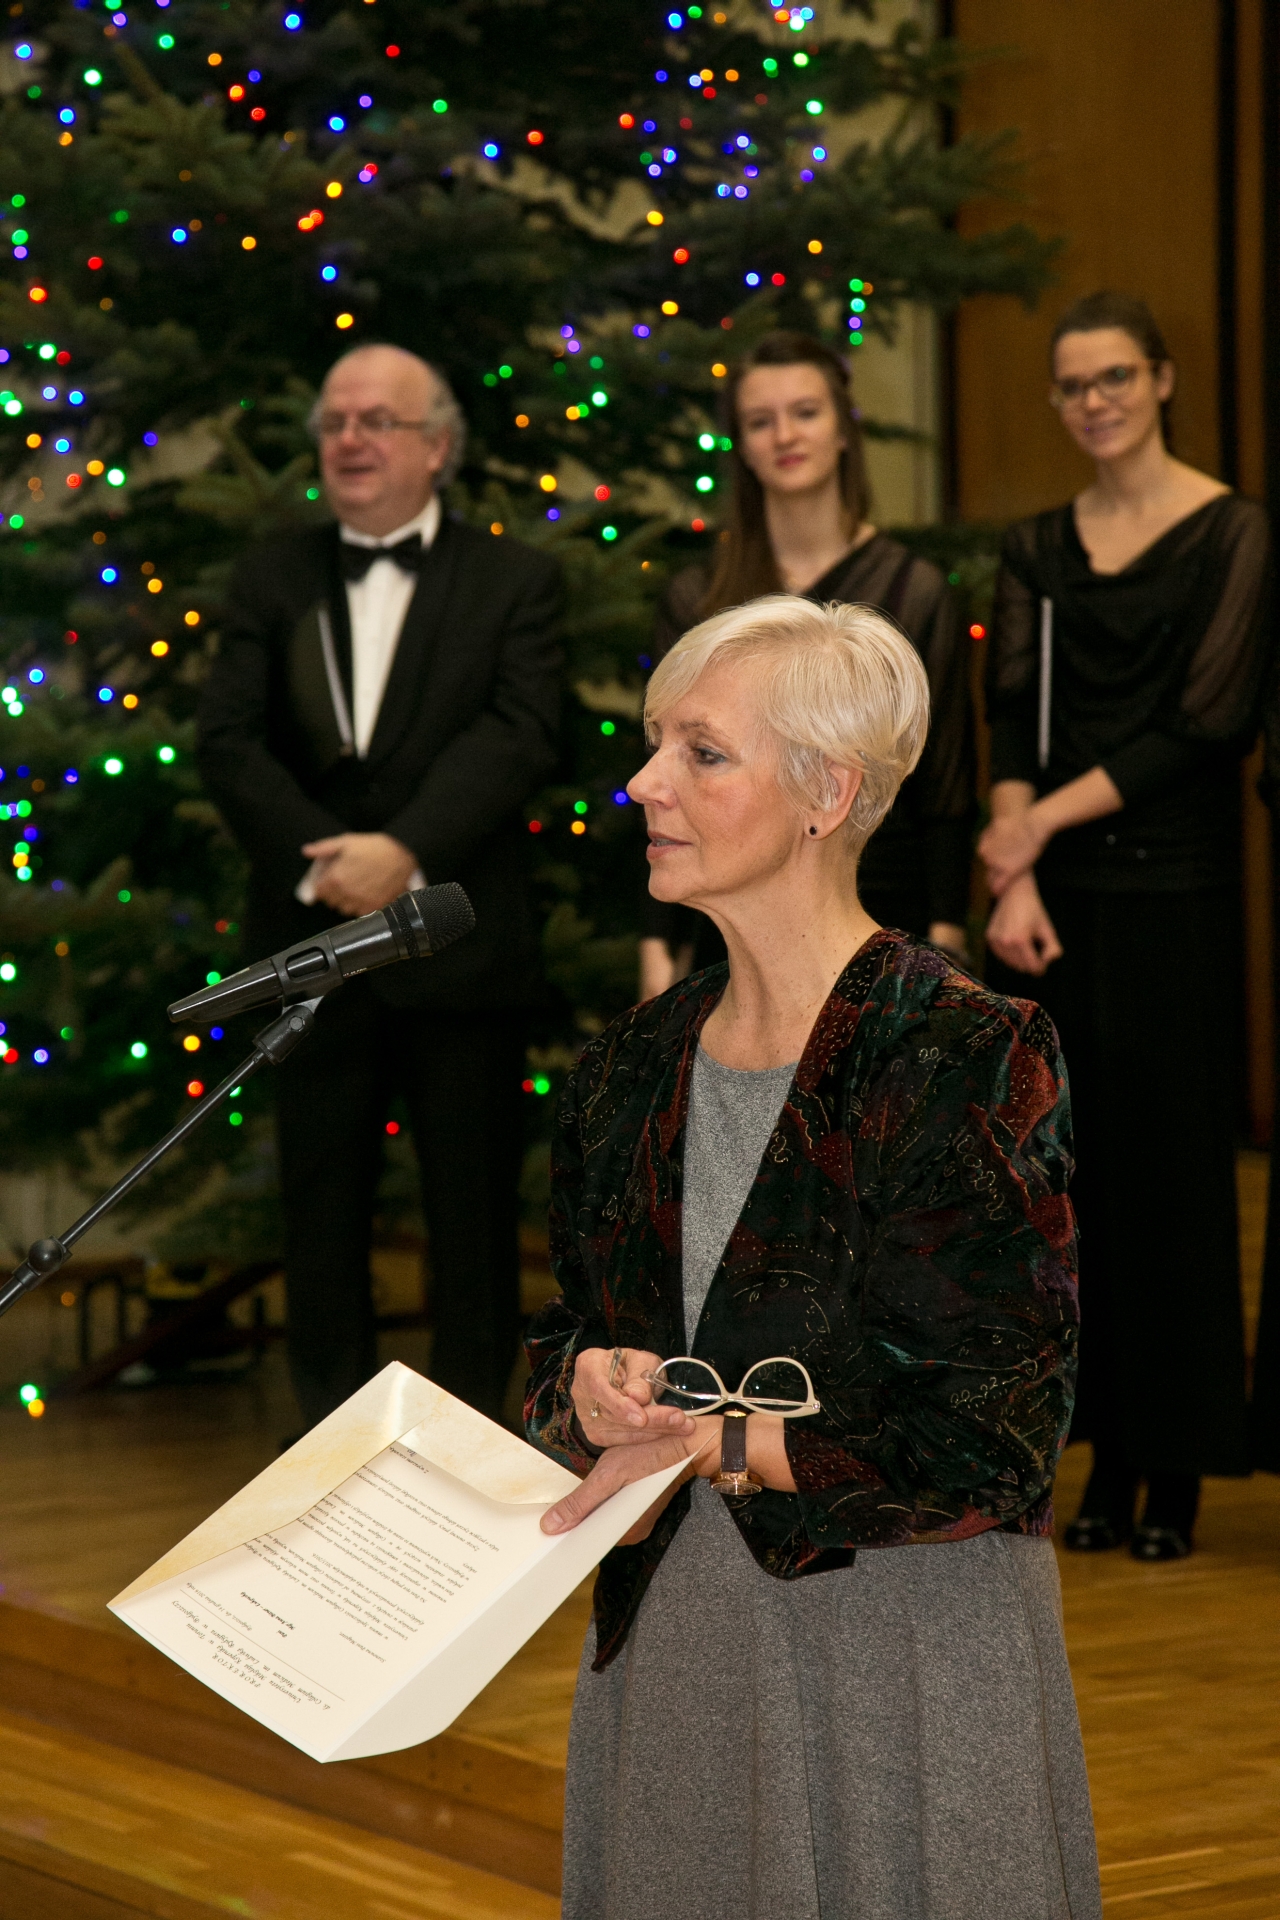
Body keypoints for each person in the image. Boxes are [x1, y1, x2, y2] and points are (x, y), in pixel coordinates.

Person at [526, 595, 1099, 1920]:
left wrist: (714, 1444)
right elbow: (560, 1343)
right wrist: (590, 1391)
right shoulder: (626, 1067)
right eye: (654, 745)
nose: (644, 783)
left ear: (824, 794)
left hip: (901, 1652)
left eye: (700, 753)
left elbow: (994, 1437)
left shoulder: (961, 1052)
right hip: (679, 1644)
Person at [198, 343, 562, 1428]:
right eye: (334, 422)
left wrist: (402, 849)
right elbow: (228, 741)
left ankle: (467, 1454)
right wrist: (327, 857)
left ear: (437, 445)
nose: (349, 439)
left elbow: (520, 732)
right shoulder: (270, 576)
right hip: (309, 950)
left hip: (459, 949)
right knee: (317, 1218)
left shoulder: (514, 579)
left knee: (473, 1221)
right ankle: (329, 1452)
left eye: (377, 421)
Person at [979, 290, 1273, 1558]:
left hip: (1174, 894)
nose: (1091, 402)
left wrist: (1033, 827)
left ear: (1159, 379)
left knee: (1170, 1185)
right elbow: (1007, 712)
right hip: (1053, 906)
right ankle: (1095, 1454)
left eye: (1112, 377)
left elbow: (1204, 722)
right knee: (1063, 1186)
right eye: (1071, 385)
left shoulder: (1231, 533)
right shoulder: (1035, 545)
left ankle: (1175, 1466)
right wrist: (1013, 871)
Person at [638, 330, 973, 1000]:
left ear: (844, 429)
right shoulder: (699, 598)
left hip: (881, 903)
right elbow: (667, 773)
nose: (785, 435)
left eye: (806, 412)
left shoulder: (914, 591)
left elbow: (945, 780)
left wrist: (948, 930)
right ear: (741, 445)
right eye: (760, 421)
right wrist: (657, 944)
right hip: (731, 911)